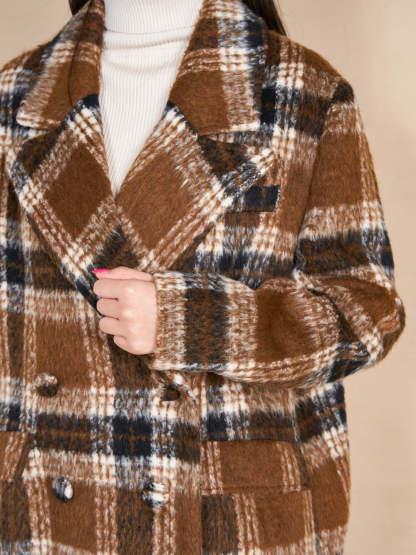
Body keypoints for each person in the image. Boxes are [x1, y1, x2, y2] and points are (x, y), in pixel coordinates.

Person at [0, 0, 406, 553]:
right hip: (41, 510)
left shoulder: (302, 91)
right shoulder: (15, 95)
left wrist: (194, 321)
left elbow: (367, 314)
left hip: (225, 513)